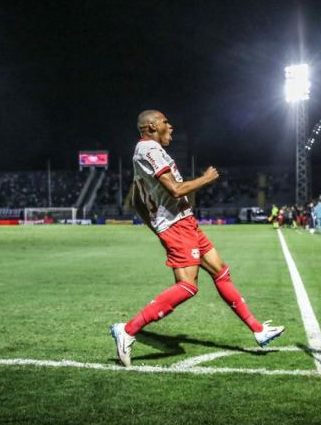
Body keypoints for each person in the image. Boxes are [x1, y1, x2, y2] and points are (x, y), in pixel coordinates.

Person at [111, 110, 284, 367]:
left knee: (221, 271)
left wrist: (156, 227)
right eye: (165, 122)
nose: (171, 126)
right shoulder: (150, 150)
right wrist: (205, 179)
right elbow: (175, 189)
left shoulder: (143, 152)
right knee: (188, 286)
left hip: (184, 222)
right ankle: (128, 330)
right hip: (177, 226)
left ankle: (258, 330)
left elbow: (137, 199)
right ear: (150, 126)